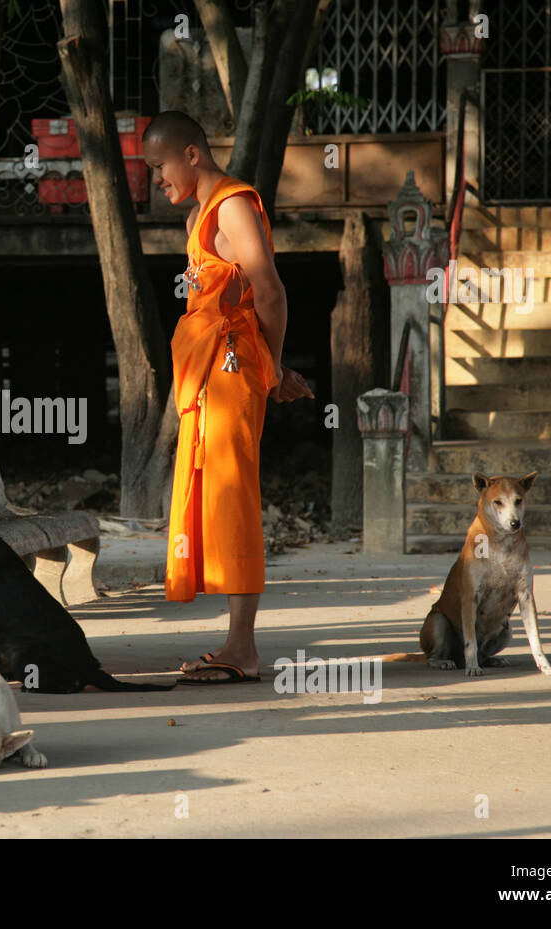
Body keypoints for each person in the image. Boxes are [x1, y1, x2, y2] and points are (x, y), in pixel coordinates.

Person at [142, 110, 314, 684]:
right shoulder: (199, 214)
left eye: (160, 166)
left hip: (234, 366)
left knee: (233, 493)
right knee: (214, 492)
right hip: (214, 368)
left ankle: (243, 648)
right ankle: (235, 642)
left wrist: (273, 363)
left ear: (192, 154)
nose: (156, 180)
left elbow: (269, 290)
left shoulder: (233, 204)